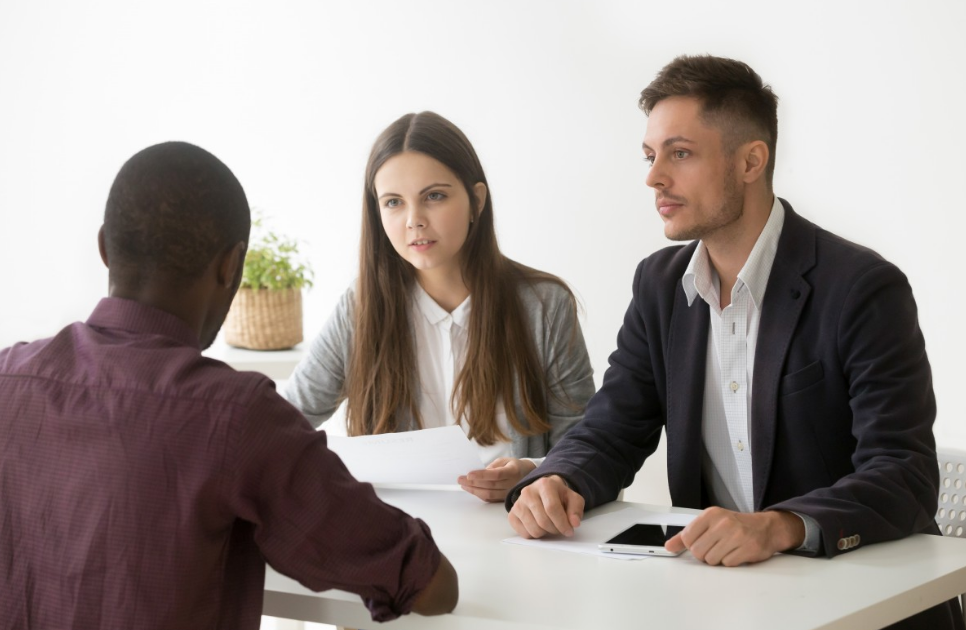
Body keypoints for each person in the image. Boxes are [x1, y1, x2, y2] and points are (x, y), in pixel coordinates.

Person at [505, 55, 963, 629]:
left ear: (751, 161)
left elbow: (904, 473)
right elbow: (613, 428)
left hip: (866, 606)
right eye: (651, 156)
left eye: (681, 153)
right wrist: (556, 479)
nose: (654, 177)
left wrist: (779, 524)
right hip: (728, 603)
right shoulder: (660, 285)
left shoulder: (860, 288)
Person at [0, 142, 457, 630]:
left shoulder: (8, 378)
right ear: (231, 265)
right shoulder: (237, 416)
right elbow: (432, 586)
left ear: (105, 248)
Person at [284, 111, 595, 502]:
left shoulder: (544, 306)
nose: (414, 220)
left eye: (435, 196)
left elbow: (588, 447)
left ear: (476, 201)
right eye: (394, 202)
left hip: (517, 532)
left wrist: (532, 472)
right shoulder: (361, 307)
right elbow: (284, 421)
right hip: (401, 533)